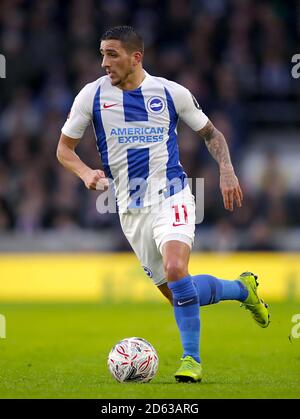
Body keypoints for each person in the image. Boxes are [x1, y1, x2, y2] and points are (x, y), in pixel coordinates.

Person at [57, 26, 270, 383]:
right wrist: (85, 173)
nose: (103, 62)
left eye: (112, 54)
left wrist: (227, 169)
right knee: (178, 294)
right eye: (102, 53)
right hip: (128, 208)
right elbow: (64, 149)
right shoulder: (91, 96)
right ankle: (241, 289)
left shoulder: (171, 93)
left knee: (175, 269)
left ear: (135, 57)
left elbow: (211, 134)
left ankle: (191, 361)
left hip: (172, 195)